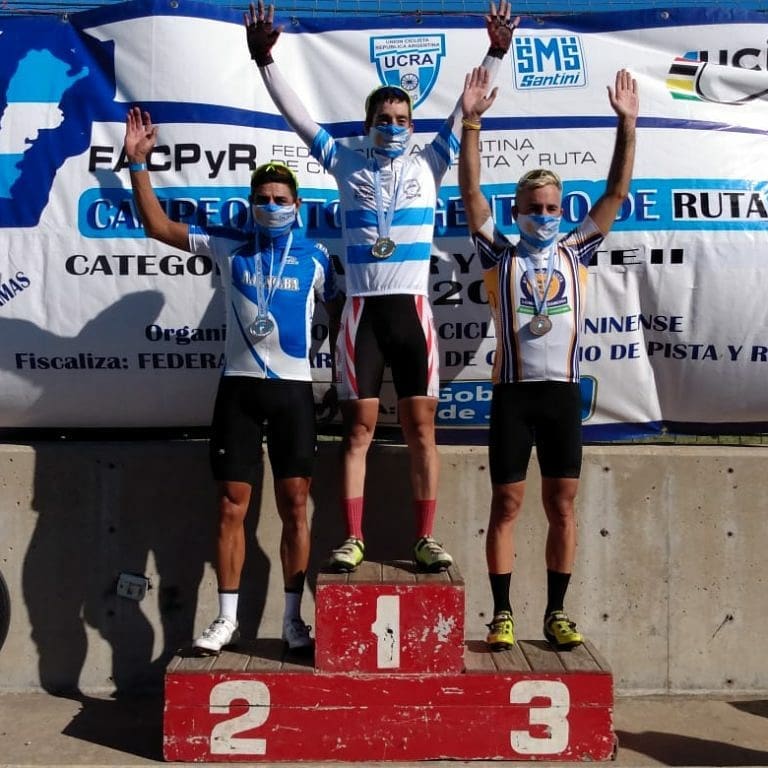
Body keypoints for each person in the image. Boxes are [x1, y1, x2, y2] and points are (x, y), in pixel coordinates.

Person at [244, 0, 517, 573]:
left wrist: (496, 51)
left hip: (411, 312)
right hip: (362, 315)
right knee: (358, 433)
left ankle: (425, 538)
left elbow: (465, 107)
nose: (392, 127)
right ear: (369, 124)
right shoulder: (346, 162)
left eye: (401, 119)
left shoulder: (429, 163)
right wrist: (264, 61)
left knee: (422, 430)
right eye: (383, 119)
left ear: (412, 126)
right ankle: (353, 537)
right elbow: (299, 118)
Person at [124, 107, 342, 654]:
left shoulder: (317, 257)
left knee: (296, 505)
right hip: (239, 390)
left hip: (293, 391)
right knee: (230, 506)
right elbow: (158, 227)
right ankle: (226, 619)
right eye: (262, 199)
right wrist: (138, 165)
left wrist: (343, 377)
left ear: (297, 206)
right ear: (250, 205)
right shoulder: (229, 245)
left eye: (281, 199)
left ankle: (293, 621)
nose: (271, 206)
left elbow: (345, 316)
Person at [458, 66, 638, 650]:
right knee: (506, 504)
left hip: (561, 395)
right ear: (516, 212)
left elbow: (614, 195)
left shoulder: (576, 249)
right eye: (533, 208)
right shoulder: (499, 254)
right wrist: (471, 123)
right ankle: (501, 614)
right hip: (513, 396)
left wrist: (627, 126)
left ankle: (556, 612)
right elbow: (471, 195)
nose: (543, 216)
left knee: (562, 506)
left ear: (563, 210)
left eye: (551, 207)